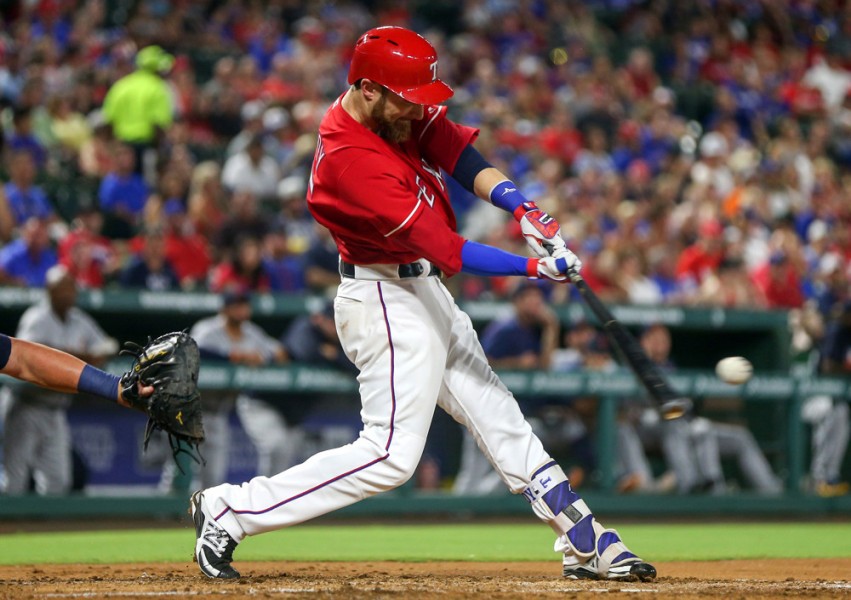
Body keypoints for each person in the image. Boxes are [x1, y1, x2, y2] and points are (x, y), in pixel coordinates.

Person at [190, 27, 655, 582]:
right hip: (383, 297)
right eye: (407, 101)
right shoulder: (349, 159)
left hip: (421, 289)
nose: (417, 112)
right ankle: (231, 509)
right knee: (390, 455)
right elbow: (446, 247)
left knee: (497, 412)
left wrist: (522, 207)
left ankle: (585, 538)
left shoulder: (392, 109)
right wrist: (535, 267)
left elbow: (456, 150)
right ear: (366, 89)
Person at [1, 265, 138, 494]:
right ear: (50, 291)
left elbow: (106, 344)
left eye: (71, 288)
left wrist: (108, 376)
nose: (68, 294)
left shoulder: (79, 319)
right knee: (14, 482)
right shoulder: (37, 318)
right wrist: (84, 355)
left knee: (59, 481)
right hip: (25, 406)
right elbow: (27, 359)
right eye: (62, 289)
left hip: (55, 409)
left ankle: (41, 529)